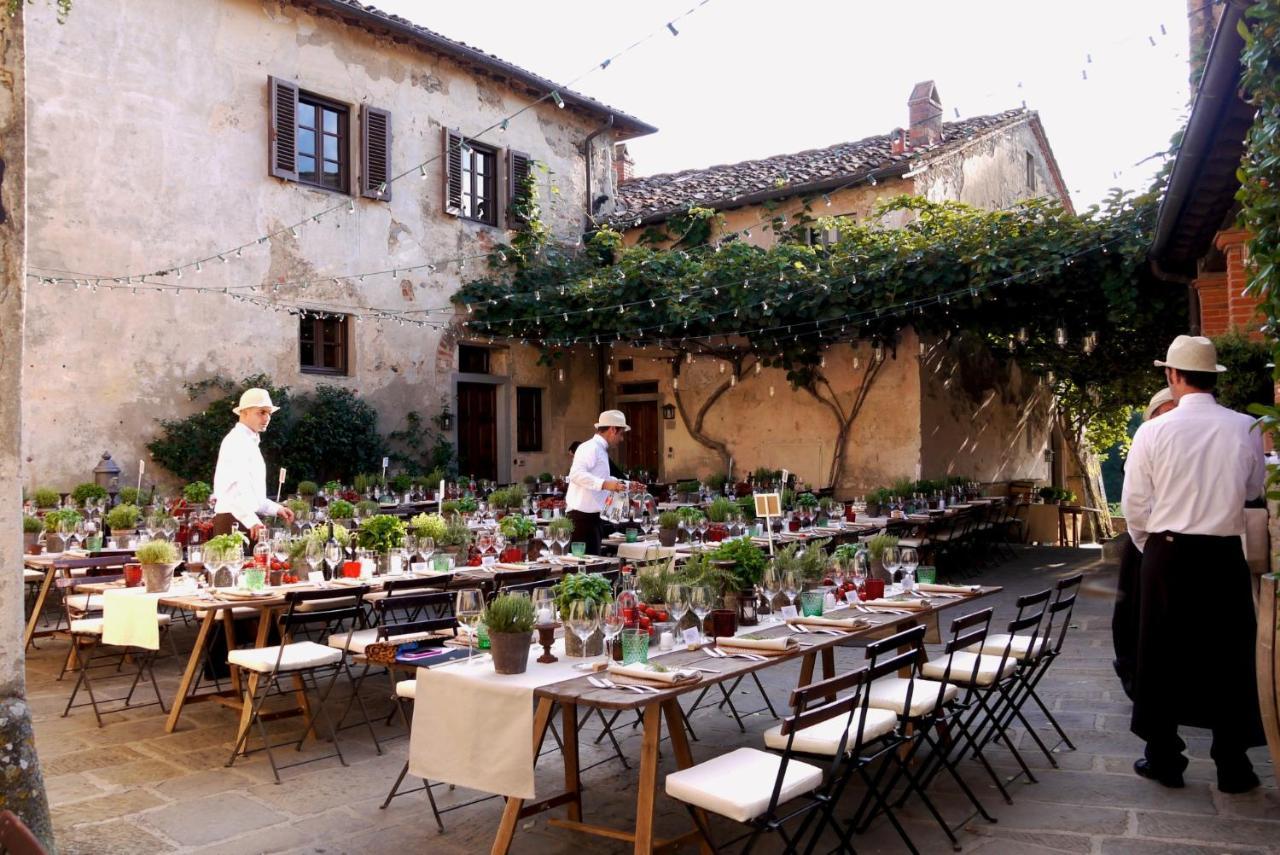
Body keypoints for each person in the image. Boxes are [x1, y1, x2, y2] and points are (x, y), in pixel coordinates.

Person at [1121, 335, 1266, 793]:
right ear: (1214, 376)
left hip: (1167, 551)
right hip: (1223, 554)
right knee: (1229, 654)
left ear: (1172, 375)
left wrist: (1154, 548)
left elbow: (1135, 506)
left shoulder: (1153, 431)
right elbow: (1251, 492)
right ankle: (1232, 764)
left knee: (1160, 655)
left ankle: (1164, 757)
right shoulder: (1247, 427)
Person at [1111, 387, 1176, 698]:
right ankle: (1133, 671)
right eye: (1163, 414)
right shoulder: (1149, 441)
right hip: (1148, 543)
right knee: (1133, 612)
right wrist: (1146, 544)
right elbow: (1135, 502)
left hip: (1164, 544)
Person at [211, 388, 294, 541]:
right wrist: (251, 521)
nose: (267, 417)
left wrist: (276, 508)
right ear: (244, 413)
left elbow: (252, 496)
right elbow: (231, 492)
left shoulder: (248, 441)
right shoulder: (237, 441)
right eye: (261, 412)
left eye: (269, 413)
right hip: (234, 523)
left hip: (244, 521)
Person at [565, 410, 631, 555]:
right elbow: (575, 474)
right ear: (613, 430)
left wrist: (627, 485)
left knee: (591, 571)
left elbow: (603, 479)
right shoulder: (590, 447)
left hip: (592, 519)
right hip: (582, 519)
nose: (621, 439)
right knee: (583, 573)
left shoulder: (599, 449)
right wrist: (606, 484)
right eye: (621, 434)